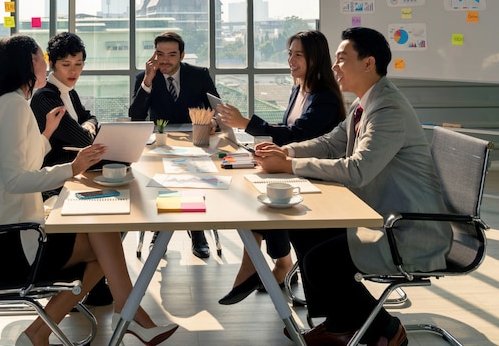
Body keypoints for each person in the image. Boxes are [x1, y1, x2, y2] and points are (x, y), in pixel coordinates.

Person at [237, 27, 452, 346]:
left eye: (341, 59)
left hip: (410, 229)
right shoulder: (366, 103)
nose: (334, 66)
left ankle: (388, 330)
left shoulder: (387, 109)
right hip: (383, 216)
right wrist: (289, 151)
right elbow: (331, 142)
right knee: (304, 228)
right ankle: (340, 322)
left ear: (368, 63)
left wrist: (290, 165)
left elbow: (358, 170)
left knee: (321, 261)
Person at [0, 34, 178, 346]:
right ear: (30, 64)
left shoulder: (11, 103)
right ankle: (127, 311)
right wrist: (74, 167)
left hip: (7, 232)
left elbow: (26, 161)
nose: (46, 64)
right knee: (101, 237)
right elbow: (15, 180)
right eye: (41, 58)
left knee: (100, 242)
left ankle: (44, 332)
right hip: (6, 241)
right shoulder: (12, 106)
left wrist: (47, 134)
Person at [215, 30, 345, 303]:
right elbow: (286, 129)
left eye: (298, 54)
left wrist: (247, 124)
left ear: (315, 58)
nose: (290, 60)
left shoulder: (325, 98)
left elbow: (297, 134)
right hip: (295, 166)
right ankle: (278, 263)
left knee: (265, 196)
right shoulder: (299, 88)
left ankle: (266, 266)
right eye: (289, 53)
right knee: (258, 191)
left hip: (318, 176)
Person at [29, 32, 111, 307]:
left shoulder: (67, 91)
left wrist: (88, 126)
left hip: (73, 175)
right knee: (114, 210)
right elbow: (85, 139)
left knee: (115, 205)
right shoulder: (46, 98)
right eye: (67, 65)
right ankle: (87, 283)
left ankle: (95, 285)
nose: (74, 71)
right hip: (54, 184)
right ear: (52, 64)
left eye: (79, 64)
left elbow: (91, 119)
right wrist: (88, 129)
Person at [129, 31, 219, 259]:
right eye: (160, 54)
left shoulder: (199, 75)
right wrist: (148, 80)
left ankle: (197, 231)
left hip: (194, 143)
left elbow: (217, 107)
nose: (165, 60)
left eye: (171, 54)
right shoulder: (144, 78)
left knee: (193, 177)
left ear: (182, 55)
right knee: (161, 179)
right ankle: (160, 232)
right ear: (153, 55)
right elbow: (136, 116)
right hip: (158, 144)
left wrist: (214, 122)